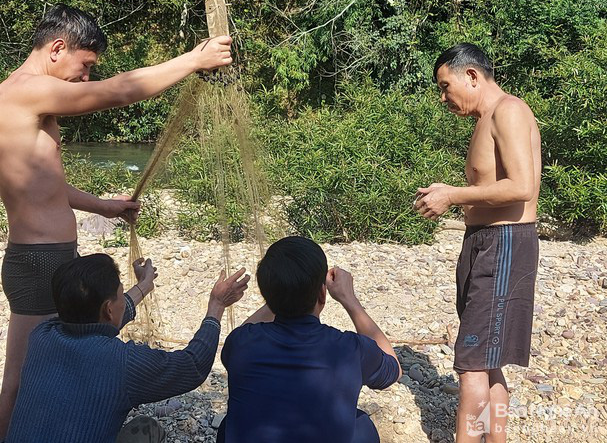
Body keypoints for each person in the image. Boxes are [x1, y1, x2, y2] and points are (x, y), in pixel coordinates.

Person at [0, 4, 232, 436]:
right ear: (57, 48)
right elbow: (118, 91)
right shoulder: (26, 90)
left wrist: (102, 206)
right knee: (19, 382)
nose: (86, 76)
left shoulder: (14, 98)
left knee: (40, 374)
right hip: (39, 262)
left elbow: (43, 186)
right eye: (85, 65)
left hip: (40, 258)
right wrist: (194, 59)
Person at [415, 43, 541, 443]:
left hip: (505, 245)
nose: (443, 97)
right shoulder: (486, 117)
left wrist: (453, 194)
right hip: (485, 243)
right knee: (487, 361)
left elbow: (523, 186)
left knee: (471, 364)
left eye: (445, 85)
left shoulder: (509, 111)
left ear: (471, 75)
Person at [5, 253, 250, 442]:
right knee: (146, 428)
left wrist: (145, 284)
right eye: (121, 295)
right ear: (109, 309)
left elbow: (99, 320)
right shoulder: (123, 363)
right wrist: (216, 305)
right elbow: (192, 365)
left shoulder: (41, 336)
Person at [217, 236, 402, 443]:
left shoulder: (242, 343)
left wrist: (281, 294)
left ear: (267, 295)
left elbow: (240, 337)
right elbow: (394, 370)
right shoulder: (350, 349)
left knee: (228, 425)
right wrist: (350, 300)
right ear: (322, 294)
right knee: (361, 424)